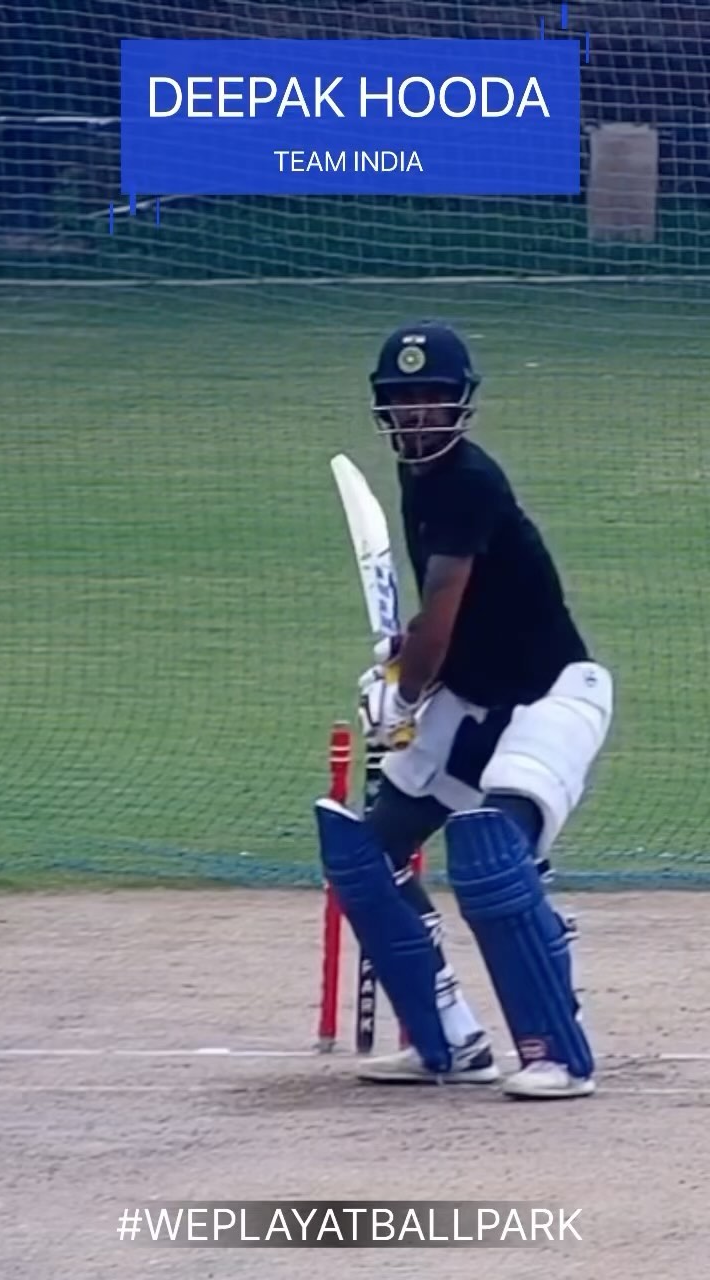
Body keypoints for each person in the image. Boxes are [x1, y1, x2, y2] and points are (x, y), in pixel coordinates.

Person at [315, 321, 613, 1100]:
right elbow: (438, 627)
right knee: (363, 858)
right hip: (474, 700)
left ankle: (559, 1054)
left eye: (432, 399)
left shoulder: (469, 482)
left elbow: (440, 619)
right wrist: (402, 676)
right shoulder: (418, 478)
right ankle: (448, 1040)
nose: (417, 414)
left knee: (490, 853)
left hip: (553, 694)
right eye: (403, 400)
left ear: (459, 405)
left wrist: (403, 696)